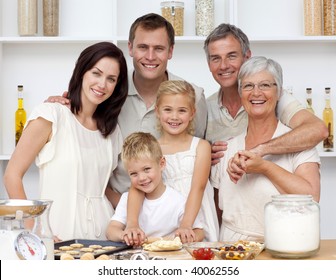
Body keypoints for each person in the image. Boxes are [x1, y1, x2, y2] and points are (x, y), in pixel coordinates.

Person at [45, 13, 207, 199]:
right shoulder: (108, 91)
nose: (150, 56)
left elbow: (200, 154)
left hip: (176, 213)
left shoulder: (193, 96)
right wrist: (61, 105)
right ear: (130, 48)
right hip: (116, 210)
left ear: (170, 51)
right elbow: (83, 130)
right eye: (143, 47)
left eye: (159, 48)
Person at [3, 42, 129, 241]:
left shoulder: (111, 131)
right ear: (81, 72)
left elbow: (99, 186)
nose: (102, 84)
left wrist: (143, 207)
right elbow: (12, 174)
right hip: (58, 236)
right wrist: (35, 229)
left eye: (111, 79)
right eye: (96, 73)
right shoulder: (51, 115)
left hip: (105, 240)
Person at [210, 56, 321, 242]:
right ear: (240, 94)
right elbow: (217, 211)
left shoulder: (300, 145)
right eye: (248, 86)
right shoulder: (225, 149)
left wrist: (265, 167)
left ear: (279, 93)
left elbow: (311, 198)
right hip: (231, 250)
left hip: (284, 247)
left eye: (265, 85)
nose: (256, 93)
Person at [204, 23, 328, 175]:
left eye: (231, 56)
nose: (223, 66)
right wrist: (202, 154)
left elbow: (318, 130)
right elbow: (183, 147)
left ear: (247, 57)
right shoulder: (204, 106)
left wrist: (261, 150)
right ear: (209, 64)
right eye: (215, 58)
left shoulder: (272, 98)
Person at [125, 81, 218, 245]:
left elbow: (198, 187)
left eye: (182, 110)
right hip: (164, 218)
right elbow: (137, 187)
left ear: (192, 113)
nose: (174, 117)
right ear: (157, 112)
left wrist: (186, 225)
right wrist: (132, 223)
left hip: (194, 218)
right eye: (168, 110)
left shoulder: (201, 146)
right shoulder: (151, 147)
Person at [106, 132, 204, 244]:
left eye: (147, 169)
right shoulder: (127, 199)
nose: (142, 178)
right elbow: (111, 230)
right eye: (134, 173)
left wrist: (188, 236)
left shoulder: (177, 201)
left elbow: (199, 232)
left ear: (162, 164)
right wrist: (124, 235)